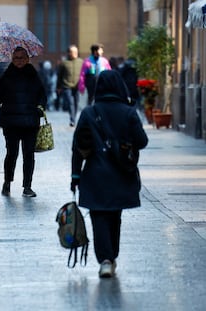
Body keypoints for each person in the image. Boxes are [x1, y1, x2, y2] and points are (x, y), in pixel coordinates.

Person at [71, 70, 148, 278]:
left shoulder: (88, 113)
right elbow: (142, 141)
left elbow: (77, 146)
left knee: (99, 217)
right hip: (121, 174)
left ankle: (105, 259)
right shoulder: (129, 112)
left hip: (95, 175)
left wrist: (75, 176)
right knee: (115, 216)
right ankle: (111, 256)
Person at [0, 46, 47, 197]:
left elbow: (42, 94)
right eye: (16, 58)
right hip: (12, 123)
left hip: (30, 121)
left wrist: (40, 108)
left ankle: (27, 186)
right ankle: (7, 182)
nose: (19, 61)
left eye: (22, 58)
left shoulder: (34, 75)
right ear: (12, 59)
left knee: (29, 155)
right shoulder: (6, 75)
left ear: (28, 59)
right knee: (12, 154)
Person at [57, 44, 83, 126]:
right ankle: (72, 119)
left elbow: (83, 74)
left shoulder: (81, 62)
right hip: (66, 86)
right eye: (72, 52)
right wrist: (58, 87)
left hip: (77, 86)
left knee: (76, 102)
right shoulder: (64, 63)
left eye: (76, 52)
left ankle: (74, 117)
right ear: (68, 53)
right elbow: (60, 76)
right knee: (70, 102)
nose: (75, 53)